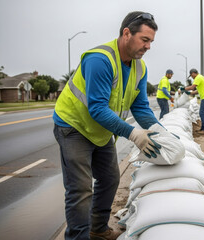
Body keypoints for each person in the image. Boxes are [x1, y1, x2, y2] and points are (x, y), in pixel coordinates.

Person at [53, 11, 161, 240]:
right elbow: (98, 108)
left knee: (110, 178)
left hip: (100, 131)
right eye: (145, 39)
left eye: (151, 41)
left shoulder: (139, 68)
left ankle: (98, 228)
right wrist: (133, 133)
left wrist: (162, 133)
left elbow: (140, 107)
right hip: (73, 126)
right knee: (81, 189)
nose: (149, 46)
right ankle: (77, 237)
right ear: (126, 33)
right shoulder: (100, 60)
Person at [182, 68, 204, 134]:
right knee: (202, 112)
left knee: (202, 112)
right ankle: (203, 128)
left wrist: (183, 89)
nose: (192, 77)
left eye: (191, 75)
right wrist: (190, 93)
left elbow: (192, 87)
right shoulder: (200, 77)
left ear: (193, 73)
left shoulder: (198, 78)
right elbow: (197, 91)